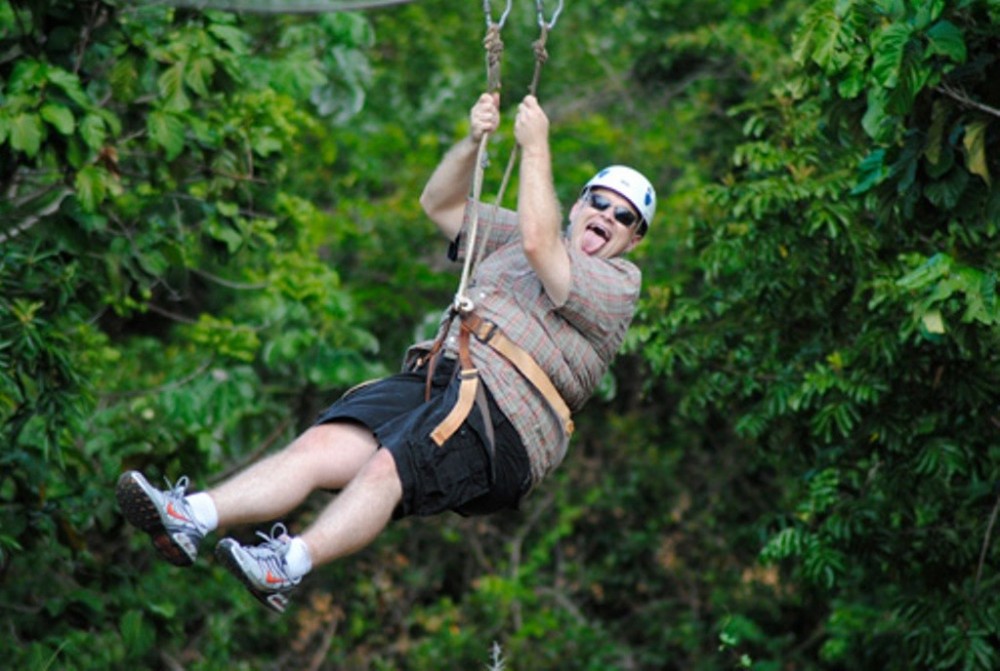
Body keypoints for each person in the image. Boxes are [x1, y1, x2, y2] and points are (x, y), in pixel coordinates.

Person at [116, 92, 656, 613]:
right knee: (319, 444)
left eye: (624, 217)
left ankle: (289, 562)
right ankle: (192, 516)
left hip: (506, 423)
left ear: (632, 240)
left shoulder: (616, 284)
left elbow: (543, 245)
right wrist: (472, 142)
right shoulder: (515, 235)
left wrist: (536, 146)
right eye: (599, 202)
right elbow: (438, 203)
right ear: (580, 205)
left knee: (388, 466)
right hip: (443, 379)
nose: (607, 217)